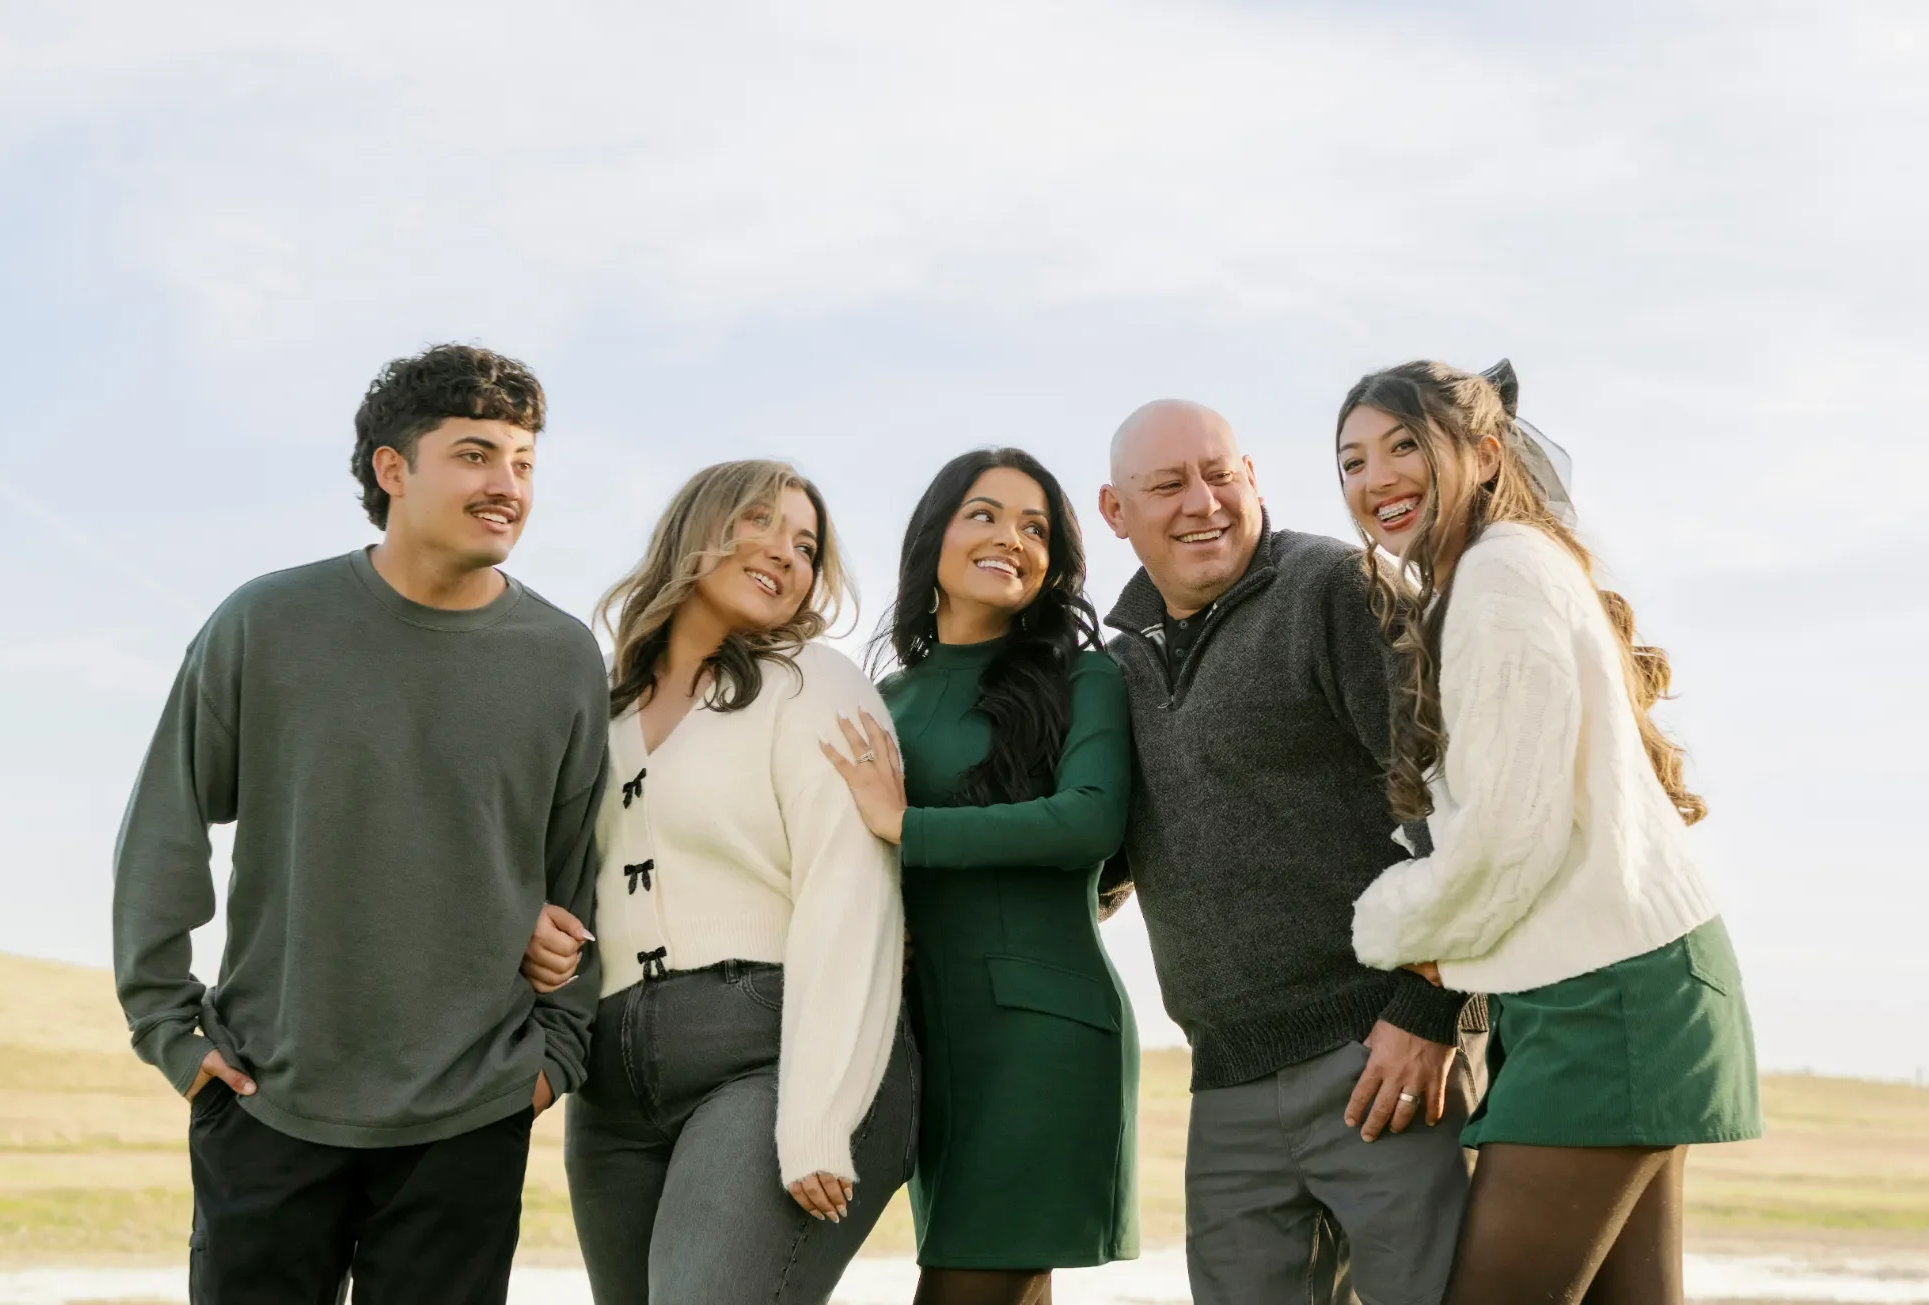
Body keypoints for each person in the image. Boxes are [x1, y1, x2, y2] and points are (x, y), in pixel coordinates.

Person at [112, 344, 607, 1304]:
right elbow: (164, 824)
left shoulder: (562, 658)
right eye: (474, 455)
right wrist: (167, 1026)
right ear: (393, 469)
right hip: (267, 1096)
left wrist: (556, 1054)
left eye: (523, 461)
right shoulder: (266, 623)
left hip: (472, 1108)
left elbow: (577, 875)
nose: (506, 483)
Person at [1336, 359, 1762, 1305]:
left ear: (1486, 454)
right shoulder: (1498, 571)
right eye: (1353, 461)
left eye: (1406, 445)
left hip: (1611, 999)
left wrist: (1387, 921)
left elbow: (1503, 840)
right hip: (1627, 982)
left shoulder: (1498, 575)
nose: (1377, 480)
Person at [1096, 400, 1484, 1305]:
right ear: (1117, 513)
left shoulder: (1336, 587)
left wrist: (1432, 1009)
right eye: (1167, 485)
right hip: (1225, 1076)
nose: (1203, 502)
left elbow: (1457, 804)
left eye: (1220, 473)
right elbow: (1099, 858)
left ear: (1252, 477)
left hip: (1384, 1053)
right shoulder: (1119, 669)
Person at [528, 460, 916, 1305]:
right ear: (697, 527)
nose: (786, 551)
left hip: (770, 1055)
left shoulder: (814, 682)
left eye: (806, 544)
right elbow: (551, 874)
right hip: (613, 1085)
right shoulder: (600, 703)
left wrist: (817, 1115)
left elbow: (852, 897)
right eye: (761, 521)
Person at [822, 448, 1138, 1305]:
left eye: (1036, 527)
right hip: (927, 1035)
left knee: (967, 1285)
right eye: (985, 514)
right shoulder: (884, 699)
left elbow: (1089, 822)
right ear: (937, 536)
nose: (1012, 538)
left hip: (1043, 1033)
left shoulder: (1086, 676)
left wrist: (908, 827)